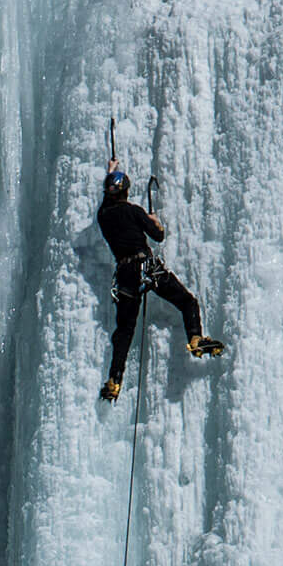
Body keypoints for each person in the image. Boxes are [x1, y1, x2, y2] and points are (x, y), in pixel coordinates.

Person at [96, 161, 222, 401]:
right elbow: (159, 236)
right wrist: (154, 221)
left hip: (124, 276)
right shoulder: (134, 211)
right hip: (146, 268)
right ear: (127, 191)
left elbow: (106, 200)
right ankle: (195, 338)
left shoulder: (103, 216)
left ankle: (115, 379)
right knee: (187, 302)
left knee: (124, 330)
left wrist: (110, 172)